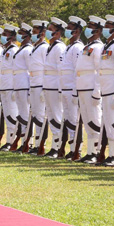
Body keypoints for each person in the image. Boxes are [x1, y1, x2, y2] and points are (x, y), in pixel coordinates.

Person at [96, 15, 114, 167]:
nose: (106, 29)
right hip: (105, 89)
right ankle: (110, 154)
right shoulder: (105, 46)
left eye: (109, 27)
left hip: (113, 90)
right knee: (107, 122)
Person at [74, 16, 105, 164]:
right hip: (82, 86)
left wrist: (97, 91)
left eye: (91, 26)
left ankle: (96, 152)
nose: (88, 29)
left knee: (94, 120)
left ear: (98, 30)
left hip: (91, 87)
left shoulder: (98, 47)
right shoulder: (87, 47)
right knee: (87, 121)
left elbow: (100, 70)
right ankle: (90, 151)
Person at [60, 16, 86, 159]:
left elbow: (78, 70)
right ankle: (71, 148)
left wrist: (76, 91)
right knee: (69, 120)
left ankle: (77, 149)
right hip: (65, 88)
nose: (67, 31)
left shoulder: (77, 47)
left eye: (69, 29)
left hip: (72, 89)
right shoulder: (68, 47)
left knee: (75, 120)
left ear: (76, 32)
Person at [43, 17, 68, 158]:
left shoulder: (59, 47)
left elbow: (60, 70)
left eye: (50, 30)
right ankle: (54, 146)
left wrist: (60, 89)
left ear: (57, 33)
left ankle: (58, 146)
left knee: (57, 116)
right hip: (48, 85)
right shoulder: (50, 47)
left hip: (55, 87)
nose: (47, 32)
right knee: (52, 117)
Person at [28, 20, 49, 154]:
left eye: (35, 32)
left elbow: (47, 68)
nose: (33, 34)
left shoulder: (44, 47)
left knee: (41, 115)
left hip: (41, 82)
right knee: (35, 114)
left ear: (42, 33)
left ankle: (41, 143)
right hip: (33, 82)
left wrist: (44, 87)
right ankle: (35, 143)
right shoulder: (35, 47)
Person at [0, 24, 19, 152]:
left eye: (5, 34)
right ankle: (8, 140)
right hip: (4, 85)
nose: (3, 37)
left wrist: (14, 88)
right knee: (6, 114)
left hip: (11, 85)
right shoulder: (5, 50)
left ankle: (12, 140)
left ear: (11, 36)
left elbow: (17, 70)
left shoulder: (14, 50)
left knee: (12, 113)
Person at [12, 23, 33, 152]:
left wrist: (30, 89)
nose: (19, 35)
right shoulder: (22, 49)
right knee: (21, 114)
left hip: (25, 84)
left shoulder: (28, 50)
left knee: (25, 114)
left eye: (22, 33)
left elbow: (31, 70)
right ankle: (23, 140)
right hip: (18, 83)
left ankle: (27, 142)